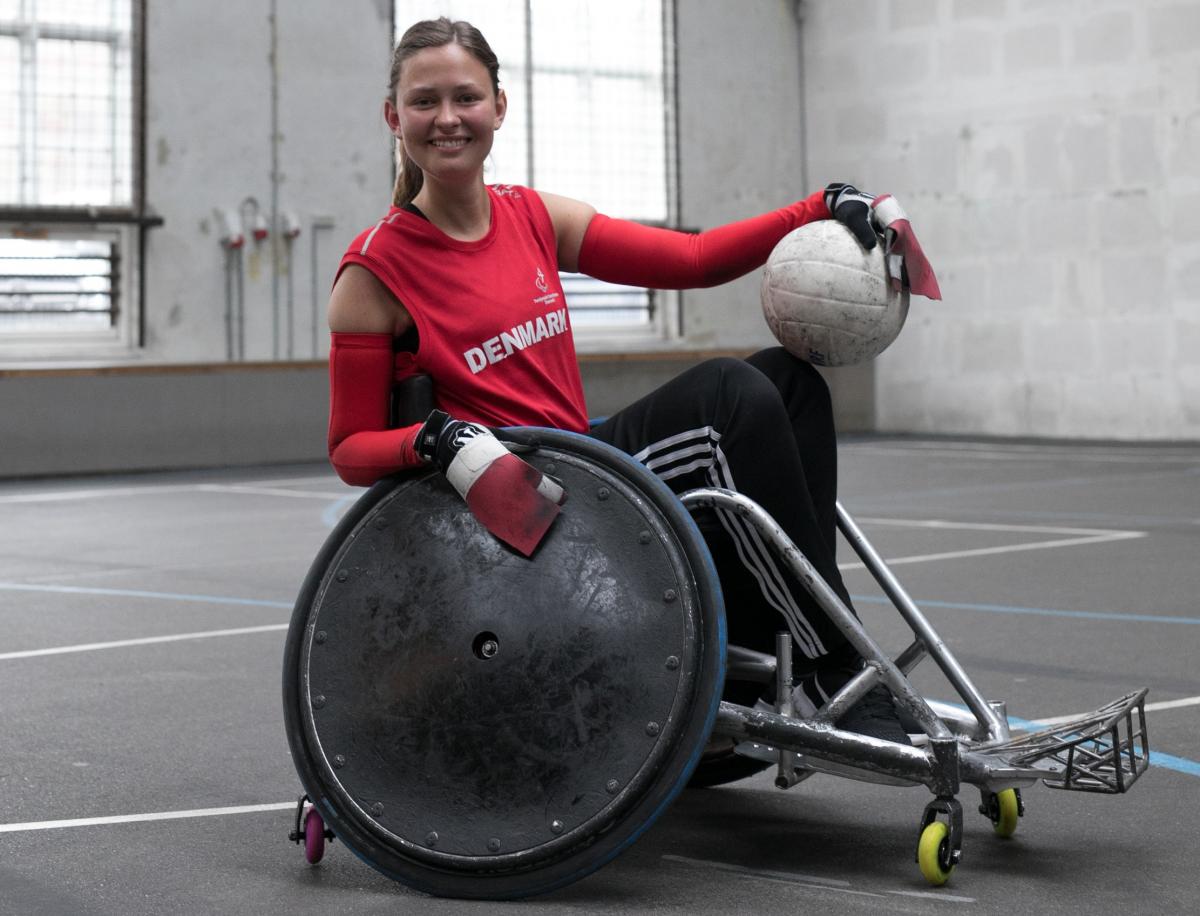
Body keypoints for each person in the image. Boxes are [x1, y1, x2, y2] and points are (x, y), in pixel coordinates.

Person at [326, 17, 939, 744]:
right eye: (425, 102)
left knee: (790, 382)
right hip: (531, 501)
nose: (448, 119)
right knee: (727, 398)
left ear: (499, 106)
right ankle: (828, 664)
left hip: (589, 463)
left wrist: (819, 206)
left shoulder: (533, 216)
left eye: (466, 97)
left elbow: (692, 261)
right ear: (394, 116)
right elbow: (350, 447)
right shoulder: (374, 272)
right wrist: (437, 438)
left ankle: (787, 638)